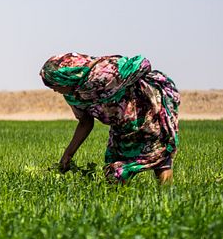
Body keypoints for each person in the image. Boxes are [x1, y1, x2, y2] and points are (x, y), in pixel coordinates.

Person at [39, 53, 180, 184]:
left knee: (160, 158)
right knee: (114, 169)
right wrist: (68, 154)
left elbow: (142, 63)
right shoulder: (73, 95)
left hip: (149, 113)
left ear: (65, 80)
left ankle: (166, 198)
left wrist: (125, 83)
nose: (54, 90)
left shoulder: (103, 73)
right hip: (122, 126)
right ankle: (121, 203)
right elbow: (85, 122)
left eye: (54, 86)